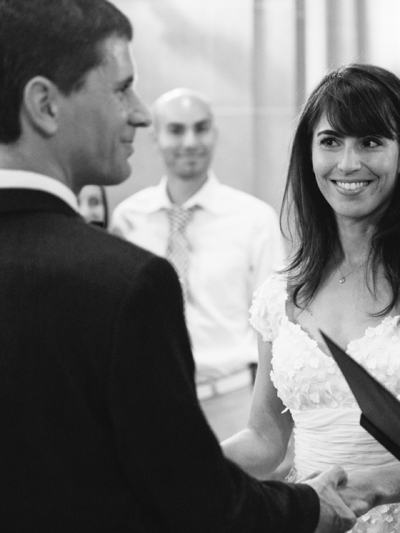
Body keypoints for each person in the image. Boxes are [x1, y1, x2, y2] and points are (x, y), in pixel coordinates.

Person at [0, 1, 354, 531]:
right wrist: (309, 509)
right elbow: (193, 498)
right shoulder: (125, 282)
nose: (141, 113)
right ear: (45, 105)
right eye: (122, 88)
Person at [220, 63, 400, 533]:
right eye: (331, 141)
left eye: (371, 142)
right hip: (312, 517)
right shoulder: (282, 292)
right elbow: (265, 438)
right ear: (308, 154)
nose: (348, 163)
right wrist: (188, 466)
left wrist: (371, 485)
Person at [111, 87, 285, 439]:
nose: (190, 141)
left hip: (233, 402)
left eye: (201, 128)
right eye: (176, 130)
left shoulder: (254, 219)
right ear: (155, 138)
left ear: (215, 134)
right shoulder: (127, 219)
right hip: (149, 402)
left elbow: (278, 326)